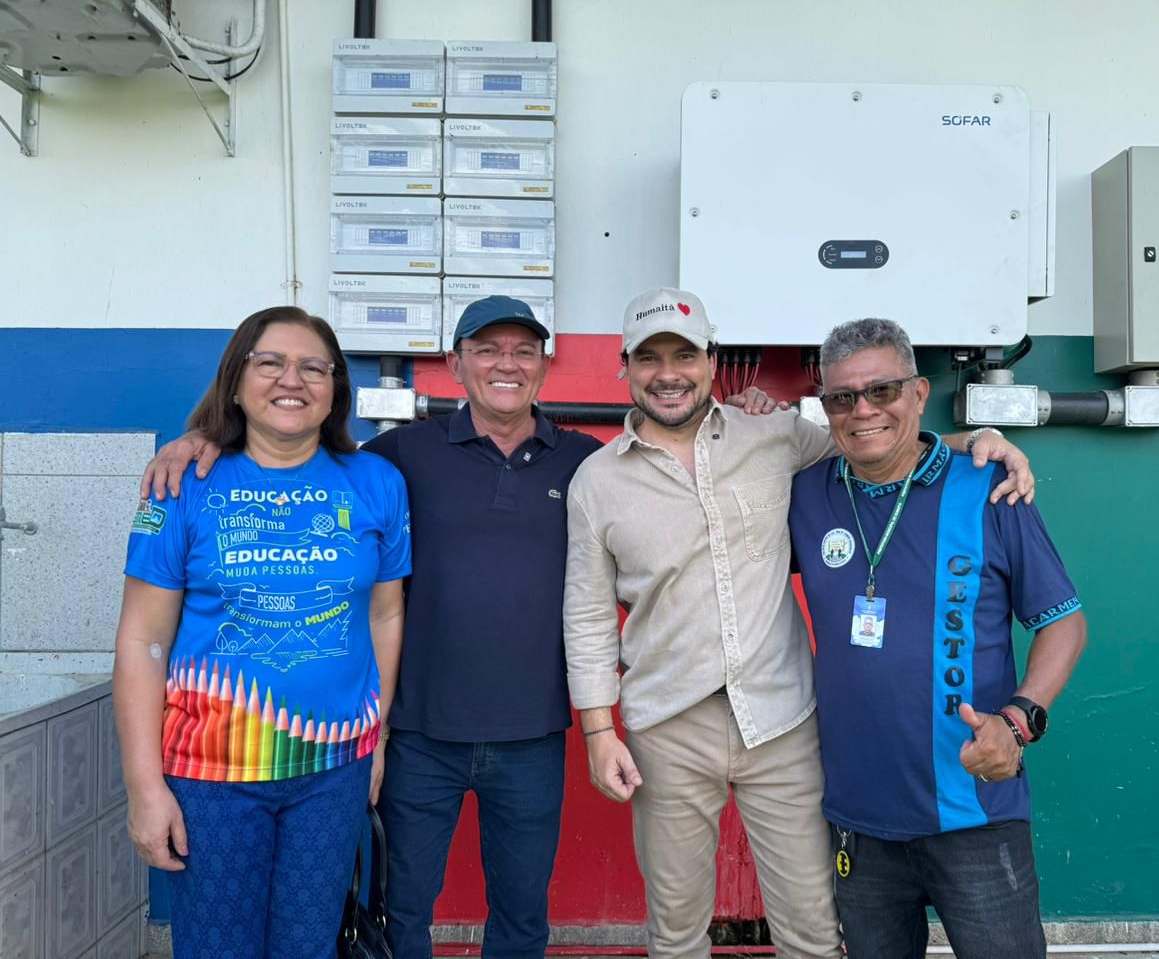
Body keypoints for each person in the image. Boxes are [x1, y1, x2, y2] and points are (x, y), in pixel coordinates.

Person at [561, 288, 1037, 959]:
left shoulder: (776, 435)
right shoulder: (595, 482)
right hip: (667, 725)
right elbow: (584, 612)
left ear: (711, 359)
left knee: (813, 931)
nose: (668, 372)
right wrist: (599, 731)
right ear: (625, 367)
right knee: (674, 932)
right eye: (649, 358)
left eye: (683, 355)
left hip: (781, 720)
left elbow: (876, 442)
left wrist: (974, 442)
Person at [141, 296, 605, 959]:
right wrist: (202, 439)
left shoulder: (586, 462)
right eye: (486, 349)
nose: (506, 364)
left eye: (523, 350)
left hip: (532, 734)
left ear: (544, 364)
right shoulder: (396, 458)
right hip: (415, 736)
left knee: (525, 917)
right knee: (398, 915)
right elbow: (292, 442)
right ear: (455, 362)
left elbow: (660, 450)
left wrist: (761, 412)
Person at [114, 306, 411, 959]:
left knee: (309, 948)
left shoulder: (376, 483)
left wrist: (377, 732)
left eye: (314, 367)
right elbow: (143, 642)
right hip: (211, 775)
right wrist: (144, 787)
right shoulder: (180, 486)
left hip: (334, 770)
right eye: (270, 362)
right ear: (237, 377)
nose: (292, 380)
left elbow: (385, 615)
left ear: (336, 387)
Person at [787, 318, 1087, 959]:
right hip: (857, 820)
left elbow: (1063, 620)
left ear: (919, 393)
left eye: (883, 391)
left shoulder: (989, 488)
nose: (862, 410)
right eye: (842, 398)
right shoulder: (804, 492)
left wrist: (1020, 719)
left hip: (975, 810)